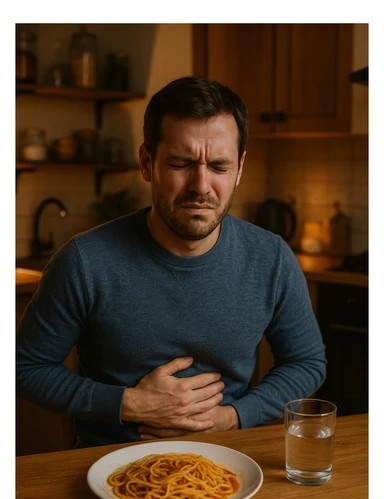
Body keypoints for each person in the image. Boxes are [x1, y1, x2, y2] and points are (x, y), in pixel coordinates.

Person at [16, 75, 326, 448]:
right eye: (181, 163)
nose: (200, 185)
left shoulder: (272, 258)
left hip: (227, 463)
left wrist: (232, 418)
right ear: (147, 163)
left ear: (240, 168)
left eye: (219, 166)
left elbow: (306, 363)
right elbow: (24, 369)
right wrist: (130, 404)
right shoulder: (84, 262)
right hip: (106, 465)